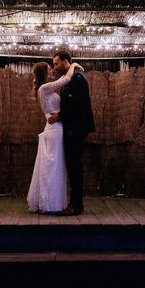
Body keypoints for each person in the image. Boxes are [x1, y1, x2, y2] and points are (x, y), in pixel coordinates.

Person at [27, 60, 84, 214]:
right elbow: (65, 79)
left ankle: (49, 200)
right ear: (44, 73)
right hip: (55, 129)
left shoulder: (46, 90)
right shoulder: (44, 88)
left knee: (53, 165)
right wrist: (73, 65)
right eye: (49, 68)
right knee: (53, 166)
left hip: (55, 127)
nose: (52, 70)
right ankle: (49, 202)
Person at [47, 50, 95, 216]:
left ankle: (76, 205)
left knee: (75, 166)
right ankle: (74, 203)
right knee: (72, 166)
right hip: (71, 129)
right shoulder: (68, 79)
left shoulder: (78, 79)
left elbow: (77, 104)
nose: (55, 66)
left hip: (77, 129)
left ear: (65, 61)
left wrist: (59, 116)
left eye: (56, 63)